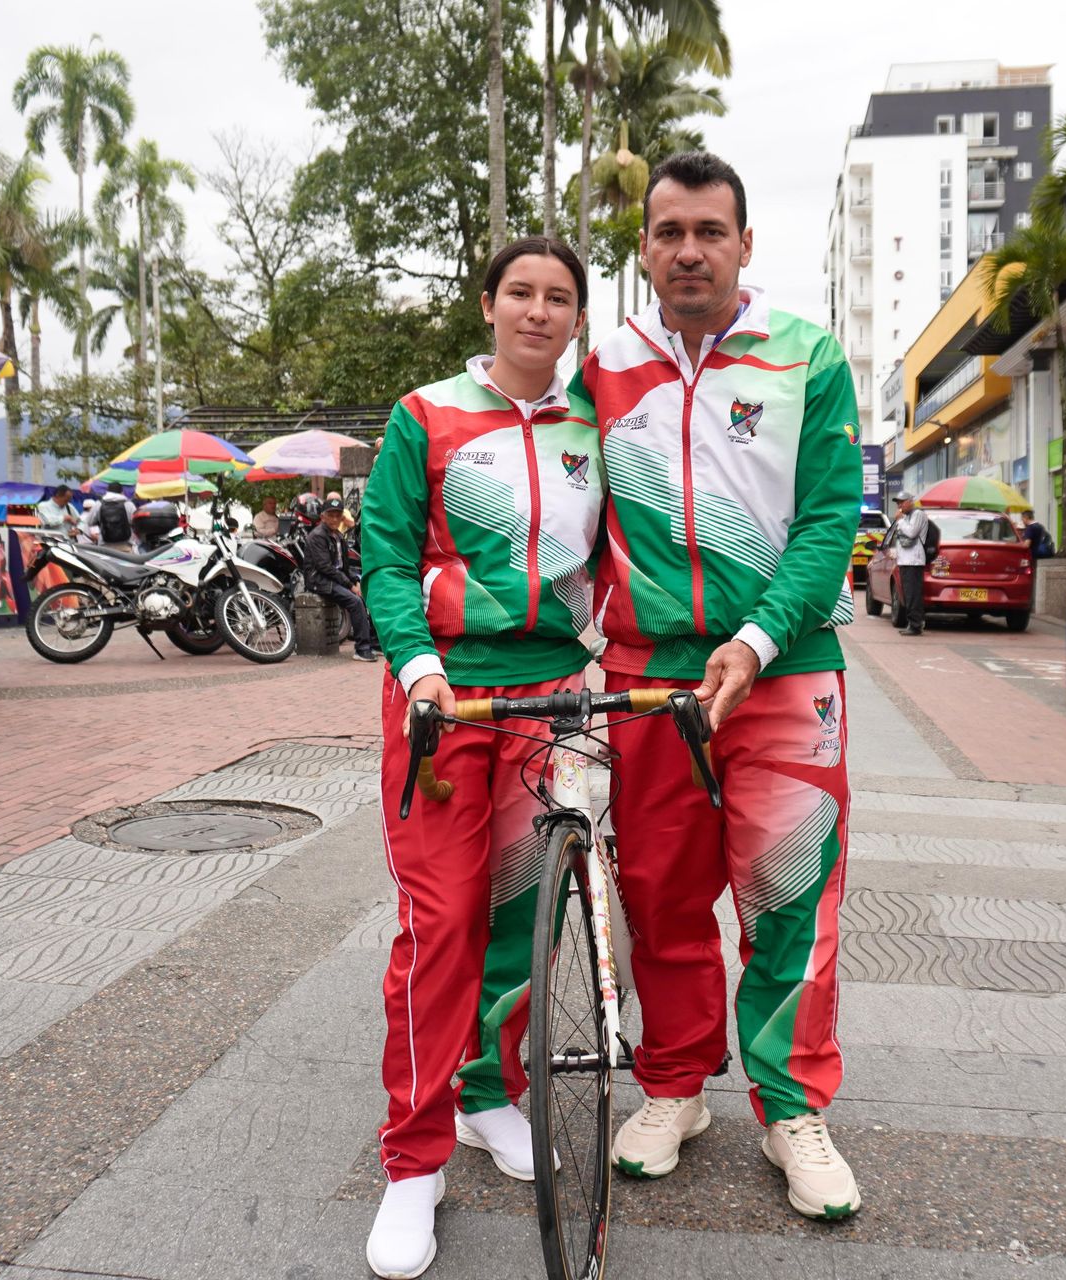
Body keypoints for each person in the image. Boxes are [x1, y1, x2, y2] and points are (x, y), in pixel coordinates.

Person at [573, 151, 864, 1220]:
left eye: (709, 230)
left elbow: (833, 518)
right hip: (647, 675)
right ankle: (674, 1085)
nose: (688, 250)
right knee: (657, 891)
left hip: (786, 671)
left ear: (745, 243)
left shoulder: (807, 358)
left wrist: (755, 636)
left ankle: (792, 1106)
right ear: (644, 248)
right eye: (668, 233)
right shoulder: (600, 369)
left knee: (790, 893)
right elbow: (568, 518)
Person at [356, 235, 600, 1279]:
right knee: (440, 921)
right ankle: (413, 1160)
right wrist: (417, 667)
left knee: (516, 916)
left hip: (556, 696)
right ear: (489, 304)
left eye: (559, 297)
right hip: (446, 695)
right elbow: (385, 553)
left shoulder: (601, 423)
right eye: (520, 293)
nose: (538, 312)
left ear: (576, 317)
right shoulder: (427, 415)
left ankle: (488, 1092)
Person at [307, 499, 376, 662]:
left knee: (368, 595)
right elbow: (325, 568)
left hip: (335, 579)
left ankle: (374, 641)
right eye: (331, 515)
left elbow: (344, 566)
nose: (334, 519)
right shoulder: (317, 536)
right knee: (355, 601)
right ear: (323, 517)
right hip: (319, 581)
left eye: (338, 515)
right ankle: (362, 648)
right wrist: (350, 585)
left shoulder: (338, 536)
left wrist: (355, 581)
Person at [889, 494, 932, 635]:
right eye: (898, 503)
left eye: (901, 502)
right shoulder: (906, 517)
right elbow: (901, 538)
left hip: (914, 561)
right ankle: (912, 623)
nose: (899, 506)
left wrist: (900, 521)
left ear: (910, 502)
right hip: (905, 560)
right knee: (908, 594)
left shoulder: (918, 514)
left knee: (913, 594)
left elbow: (912, 533)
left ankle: (915, 625)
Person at [82, 482, 137, 549]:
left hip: (105, 546)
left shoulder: (99, 504)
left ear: (107, 491)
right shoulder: (129, 504)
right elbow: (136, 523)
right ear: (122, 492)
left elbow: (89, 522)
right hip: (125, 545)